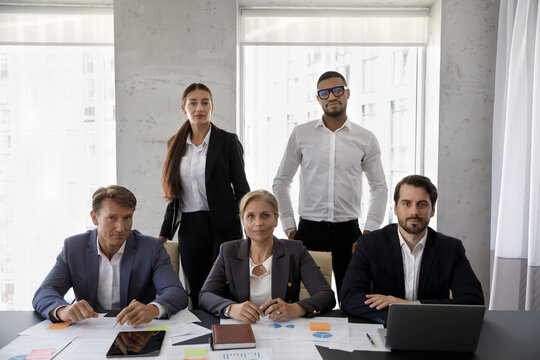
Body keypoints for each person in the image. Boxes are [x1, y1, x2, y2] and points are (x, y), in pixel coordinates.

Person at [273, 71, 388, 295]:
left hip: (350, 234)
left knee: (353, 301)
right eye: (324, 93)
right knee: (306, 302)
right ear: (318, 98)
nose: (331, 97)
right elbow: (281, 182)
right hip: (309, 231)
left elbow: (380, 187)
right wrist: (290, 229)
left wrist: (369, 232)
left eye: (337, 90)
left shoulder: (365, 138)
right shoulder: (301, 133)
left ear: (347, 93)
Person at [32, 185, 188, 327]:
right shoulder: (73, 248)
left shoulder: (151, 248)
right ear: (94, 218)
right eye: (112, 218)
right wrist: (62, 310)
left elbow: (176, 292)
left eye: (127, 217)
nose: (121, 228)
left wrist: (153, 309)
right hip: (88, 331)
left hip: (135, 331)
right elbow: (45, 292)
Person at [340, 175, 484, 324]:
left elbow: (473, 301)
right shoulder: (370, 244)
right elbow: (349, 298)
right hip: (385, 328)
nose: (414, 212)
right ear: (395, 208)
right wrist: (399, 316)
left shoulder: (451, 249)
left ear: (433, 209)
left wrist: (410, 305)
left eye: (422, 204)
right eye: (406, 204)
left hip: (432, 331)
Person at [159, 83, 250, 308]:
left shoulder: (227, 141)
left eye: (205, 102)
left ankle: (229, 333)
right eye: (193, 103)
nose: (199, 108)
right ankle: (201, 335)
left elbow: (241, 189)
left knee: (226, 286)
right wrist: (163, 235)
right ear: (184, 108)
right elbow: (174, 193)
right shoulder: (175, 143)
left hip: (225, 225)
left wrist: (250, 224)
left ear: (212, 106)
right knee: (197, 288)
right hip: (191, 226)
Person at [198, 190, 335, 323]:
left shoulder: (295, 251)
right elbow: (205, 295)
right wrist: (230, 308)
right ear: (243, 221)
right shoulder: (228, 251)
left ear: (276, 219)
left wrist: (295, 308)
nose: (258, 223)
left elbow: (326, 296)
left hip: (284, 331)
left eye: (265, 215)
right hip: (241, 330)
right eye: (250, 216)